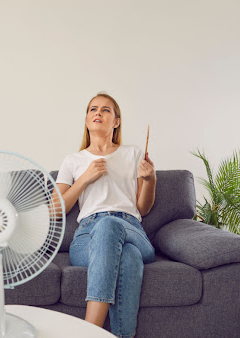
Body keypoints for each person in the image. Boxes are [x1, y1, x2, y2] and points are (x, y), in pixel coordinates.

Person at [53, 92, 156, 338]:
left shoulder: (133, 154)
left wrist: (150, 179)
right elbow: (55, 209)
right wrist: (85, 178)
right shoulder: (74, 160)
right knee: (128, 258)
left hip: (130, 229)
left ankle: (89, 333)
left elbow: (143, 208)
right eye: (93, 109)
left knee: (111, 226)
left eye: (106, 110)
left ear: (116, 122)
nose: (98, 113)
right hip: (87, 236)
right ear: (87, 119)